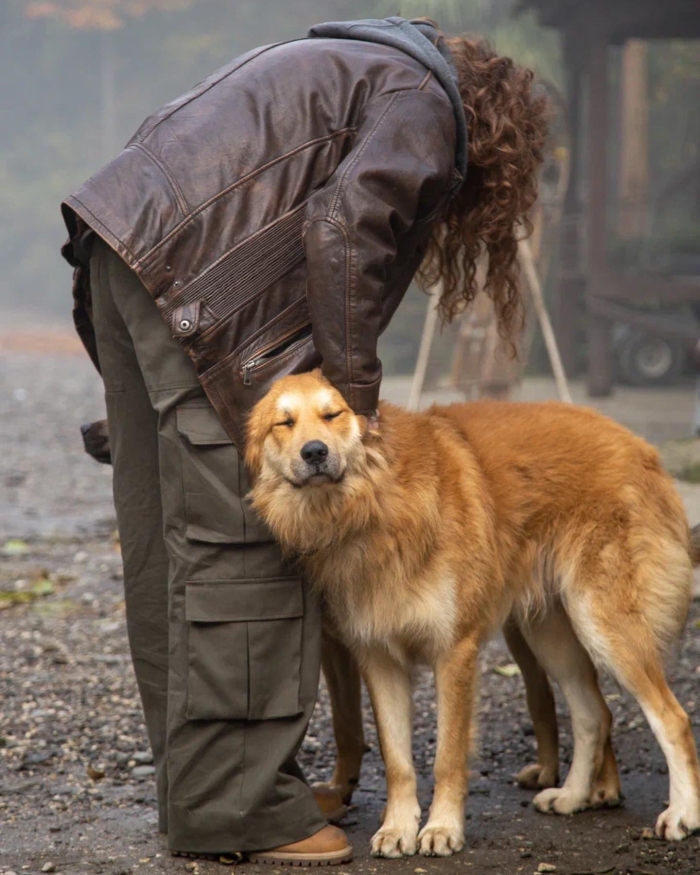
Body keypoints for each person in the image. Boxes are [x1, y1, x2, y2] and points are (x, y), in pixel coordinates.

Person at [60, 16, 548, 867]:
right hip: (194, 291)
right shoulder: (425, 102)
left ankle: (197, 798)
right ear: (495, 144)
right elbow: (342, 226)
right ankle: (244, 813)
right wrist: (354, 407)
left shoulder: (334, 64)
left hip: (119, 250)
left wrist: (137, 400)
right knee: (242, 540)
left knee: (161, 547)